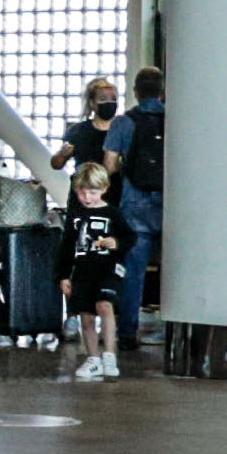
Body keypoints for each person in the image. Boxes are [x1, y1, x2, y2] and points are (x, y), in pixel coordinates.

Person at [62, 158, 131, 381]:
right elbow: (66, 245)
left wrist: (116, 243)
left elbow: (130, 237)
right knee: (86, 315)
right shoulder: (75, 216)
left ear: (104, 189)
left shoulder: (113, 214)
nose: (87, 198)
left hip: (107, 269)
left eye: (92, 192)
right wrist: (63, 275)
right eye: (82, 193)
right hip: (82, 271)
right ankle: (93, 358)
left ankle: (109, 354)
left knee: (105, 306)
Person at [110, 68, 166, 342]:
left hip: (134, 204)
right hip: (170, 204)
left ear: (136, 91)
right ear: (162, 90)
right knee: (174, 269)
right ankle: (171, 328)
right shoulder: (176, 120)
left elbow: (109, 165)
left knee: (133, 272)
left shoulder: (124, 123)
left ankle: (128, 332)